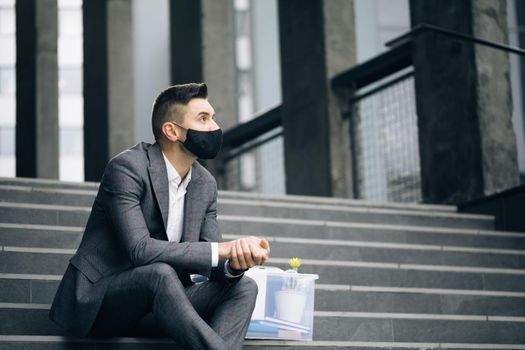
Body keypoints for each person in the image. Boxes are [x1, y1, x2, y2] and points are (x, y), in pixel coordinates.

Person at [49, 83, 270, 350]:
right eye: (203, 118)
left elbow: (212, 261)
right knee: (159, 273)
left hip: (166, 305)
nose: (214, 127)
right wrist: (222, 249)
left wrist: (234, 262)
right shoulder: (128, 168)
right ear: (172, 130)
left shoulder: (205, 183)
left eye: (212, 117)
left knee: (244, 287)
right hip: (103, 304)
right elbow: (140, 251)